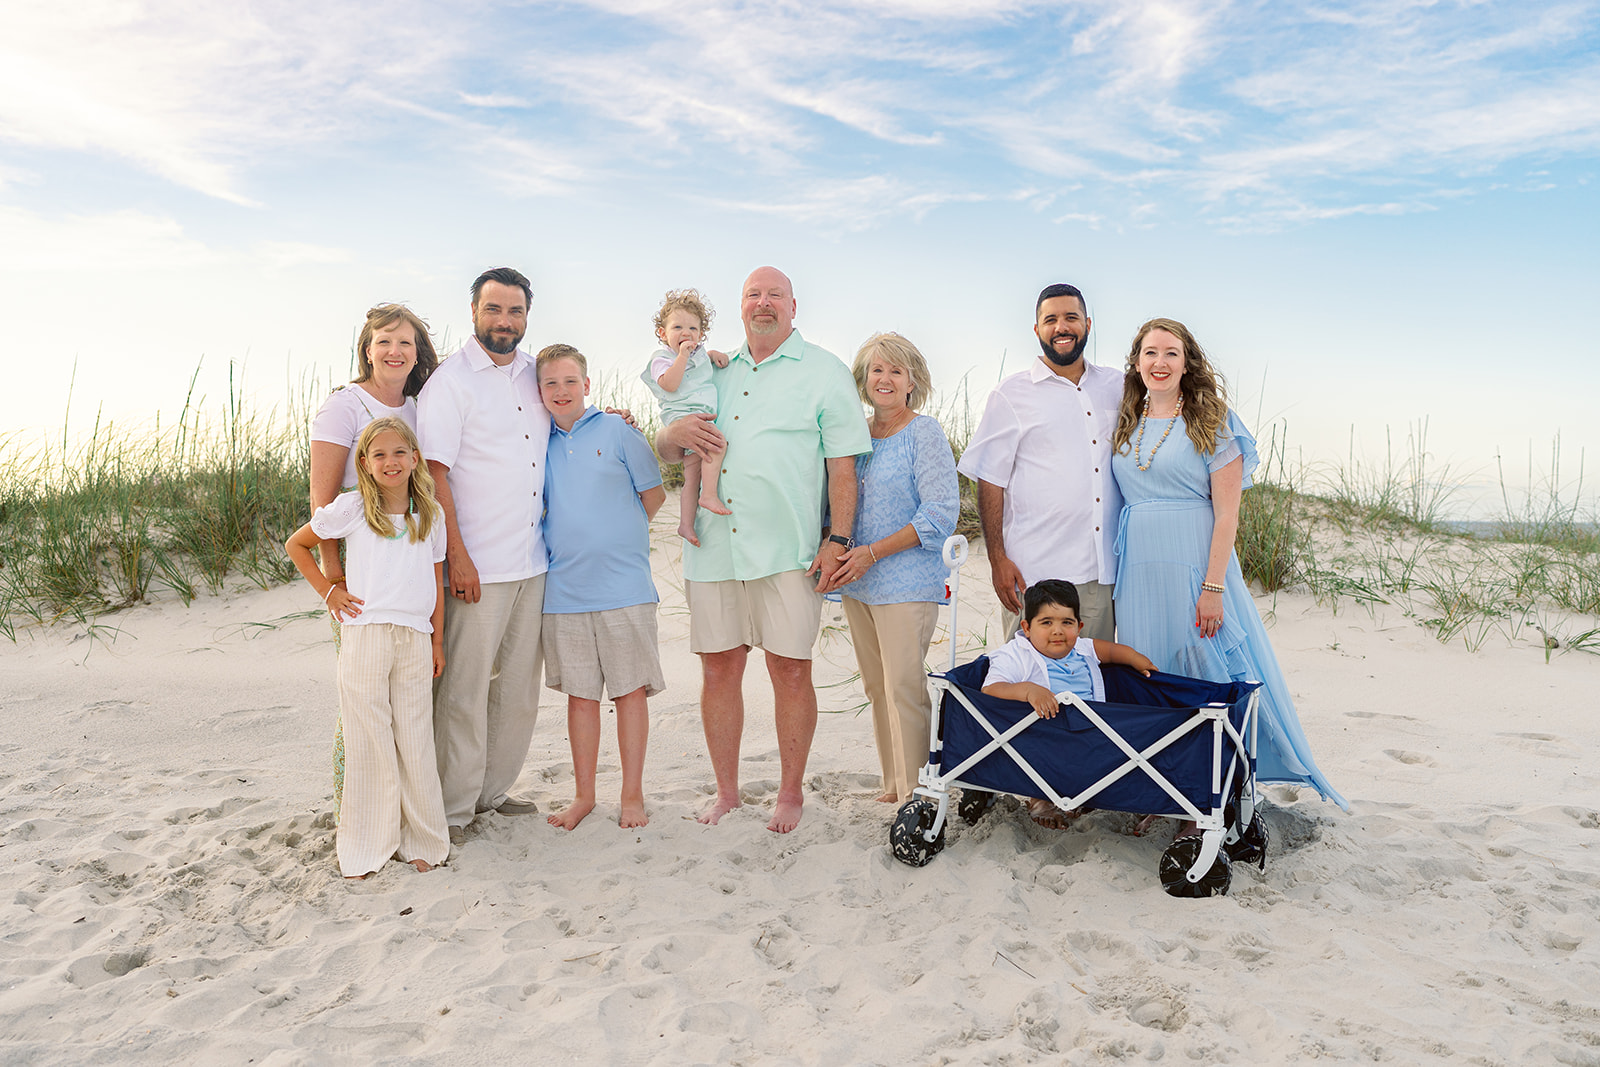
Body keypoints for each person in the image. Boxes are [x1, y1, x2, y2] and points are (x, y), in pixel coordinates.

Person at [654, 266, 872, 833]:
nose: (763, 303)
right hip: (714, 547)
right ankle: (727, 793)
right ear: (741, 306)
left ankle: (790, 793)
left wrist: (839, 539)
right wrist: (670, 436)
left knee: (791, 670)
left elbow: (843, 467)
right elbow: (670, 443)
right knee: (719, 669)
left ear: (793, 306)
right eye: (753, 294)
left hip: (788, 551)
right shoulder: (711, 368)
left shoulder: (824, 371)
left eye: (775, 294)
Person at [1109, 318, 1347, 811]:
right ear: (1136, 362)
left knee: (1202, 671)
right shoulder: (1126, 417)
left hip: (1195, 562)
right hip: (1139, 571)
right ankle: (1161, 791)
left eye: (1171, 353)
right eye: (1150, 353)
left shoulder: (1212, 421)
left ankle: (1211, 791)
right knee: (1149, 672)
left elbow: (1228, 514)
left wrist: (1212, 587)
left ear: (1187, 362)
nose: (1159, 363)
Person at [417, 267, 550, 844]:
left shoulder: (535, 374)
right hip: (479, 565)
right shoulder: (450, 382)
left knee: (517, 691)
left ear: (527, 316)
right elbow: (434, 473)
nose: (504, 321)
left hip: (534, 561)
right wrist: (458, 556)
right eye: (493, 309)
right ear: (474, 312)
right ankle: (452, 808)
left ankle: (490, 794)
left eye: (515, 311)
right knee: (464, 693)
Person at [285, 417, 450, 878]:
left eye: (399, 453)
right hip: (366, 634)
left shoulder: (430, 515)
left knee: (415, 738)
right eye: (379, 454)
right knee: (369, 740)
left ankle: (423, 841)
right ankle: (367, 848)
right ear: (364, 462)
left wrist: (437, 640)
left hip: (415, 637)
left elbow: (435, 580)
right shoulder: (353, 507)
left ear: (414, 458)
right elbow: (297, 545)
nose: (390, 462)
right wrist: (329, 590)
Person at [307, 304, 439, 820]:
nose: (395, 351)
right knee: (361, 706)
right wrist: (332, 578)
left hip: (409, 569)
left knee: (407, 709)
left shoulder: (420, 406)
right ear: (367, 349)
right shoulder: (344, 405)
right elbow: (322, 502)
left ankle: (407, 815)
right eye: (384, 341)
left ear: (417, 351)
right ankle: (354, 813)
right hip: (359, 575)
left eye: (405, 342)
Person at [536, 344, 667, 831]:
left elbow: (653, 495)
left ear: (587, 385)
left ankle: (632, 796)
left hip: (624, 589)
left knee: (630, 693)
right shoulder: (537, 442)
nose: (561, 391)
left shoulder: (618, 431)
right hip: (564, 592)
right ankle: (584, 796)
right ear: (539, 391)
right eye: (550, 383)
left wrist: (615, 537)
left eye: (570, 381)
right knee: (581, 697)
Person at [828, 332, 958, 805]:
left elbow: (940, 512)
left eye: (895, 371)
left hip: (907, 583)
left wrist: (873, 552)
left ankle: (919, 795)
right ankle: (894, 784)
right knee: (877, 687)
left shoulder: (924, 433)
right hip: (858, 584)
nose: (884, 379)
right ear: (863, 380)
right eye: (876, 370)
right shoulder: (854, 434)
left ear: (912, 381)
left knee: (905, 686)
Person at [957, 283, 1122, 641]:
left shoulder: (1118, 386)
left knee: (1094, 674)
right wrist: (997, 559)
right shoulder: (1010, 394)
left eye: (1071, 317)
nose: (1061, 327)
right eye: (1051, 320)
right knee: (1029, 675)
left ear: (1088, 324)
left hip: (1101, 574)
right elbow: (990, 480)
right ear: (1037, 330)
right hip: (1034, 576)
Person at [981, 579, 1155, 828]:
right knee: (1045, 760)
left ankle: (1096, 796)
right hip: (1044, 738)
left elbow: (1111, 651)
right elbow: (990, 689)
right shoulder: (1016, 654)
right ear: (1026, 627)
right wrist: (1028, 690)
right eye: (1046, 622)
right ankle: (1039, 799)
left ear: (1079, 626)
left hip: (1088, 734)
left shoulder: (1082, 648)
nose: (1058, 631)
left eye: (1067, 622)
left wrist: (1134, 658)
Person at [639, 288, 731, 546]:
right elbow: (670, 384)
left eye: (693, 328)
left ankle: (686, 525)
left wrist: (711, 356)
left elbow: (698, 363)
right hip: (683, 416)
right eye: (677, 327)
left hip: (698, 417)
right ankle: (709, 494)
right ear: (663, 333)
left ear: (701, 335)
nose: (686, 333)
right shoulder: (661, 358)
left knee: (692, 476)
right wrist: (682, 355)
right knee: (718, 445)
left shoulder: (697, 354)